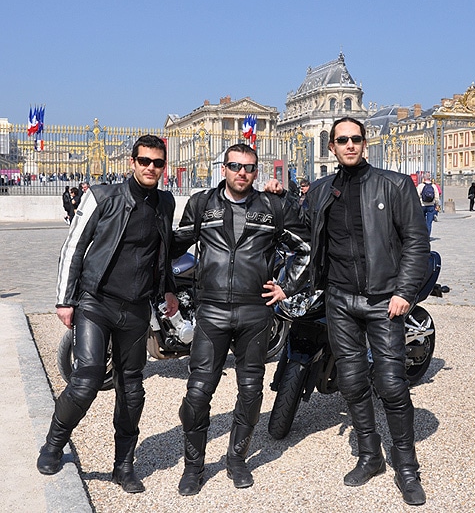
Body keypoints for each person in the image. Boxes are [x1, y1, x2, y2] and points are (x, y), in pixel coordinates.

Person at [297, 117, 429, 505]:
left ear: (365, 143)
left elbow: (416, 242)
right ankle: (370, 456)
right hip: (339, 299)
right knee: (352, 383)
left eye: (356, 139)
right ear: (332, 147)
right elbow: (303, 233)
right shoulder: (321, 190)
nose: (350, 145)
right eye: (342, 140)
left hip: (383, 301)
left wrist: (405, 292)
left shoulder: (395, 184)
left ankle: (407, 469)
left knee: (391, 384)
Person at [37, 135, 178, 494]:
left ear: (164, 166)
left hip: (136, 308)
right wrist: (63, 300)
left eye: (158, 162)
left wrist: (169, 289)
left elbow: (162, 249)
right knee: (86, 379)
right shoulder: (102, 196)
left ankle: (124, 465)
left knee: (132, 389)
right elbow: (74, 247)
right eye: (144, 160)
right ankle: (54, 444)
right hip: (95, 302)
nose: (151, 167)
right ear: (132, 162)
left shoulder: (165, 201)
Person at [173, 143, 310, 496]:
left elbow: (306, 247)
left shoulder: (272, 207)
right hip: (212, 310)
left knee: (250, 392)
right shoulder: (202, 204)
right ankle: (193, 466)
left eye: (249, 167)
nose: (242, 173)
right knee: (198, 391)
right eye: (235, 166)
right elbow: (176, 244)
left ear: (257, 170)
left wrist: (285, 286)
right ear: (224, 168)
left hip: (255, 311)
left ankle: (236, 459)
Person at [417, 172, 440, 237]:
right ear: (430, 178)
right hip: (431, 205)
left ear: (424, 178)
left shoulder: (420, 186)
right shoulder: (433, 186)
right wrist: (437, 205)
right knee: (429, 223)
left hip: (422, 205)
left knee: (421, 222)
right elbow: (437, 197)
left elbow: (417, 195)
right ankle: (427, 236)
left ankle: (422, 236)